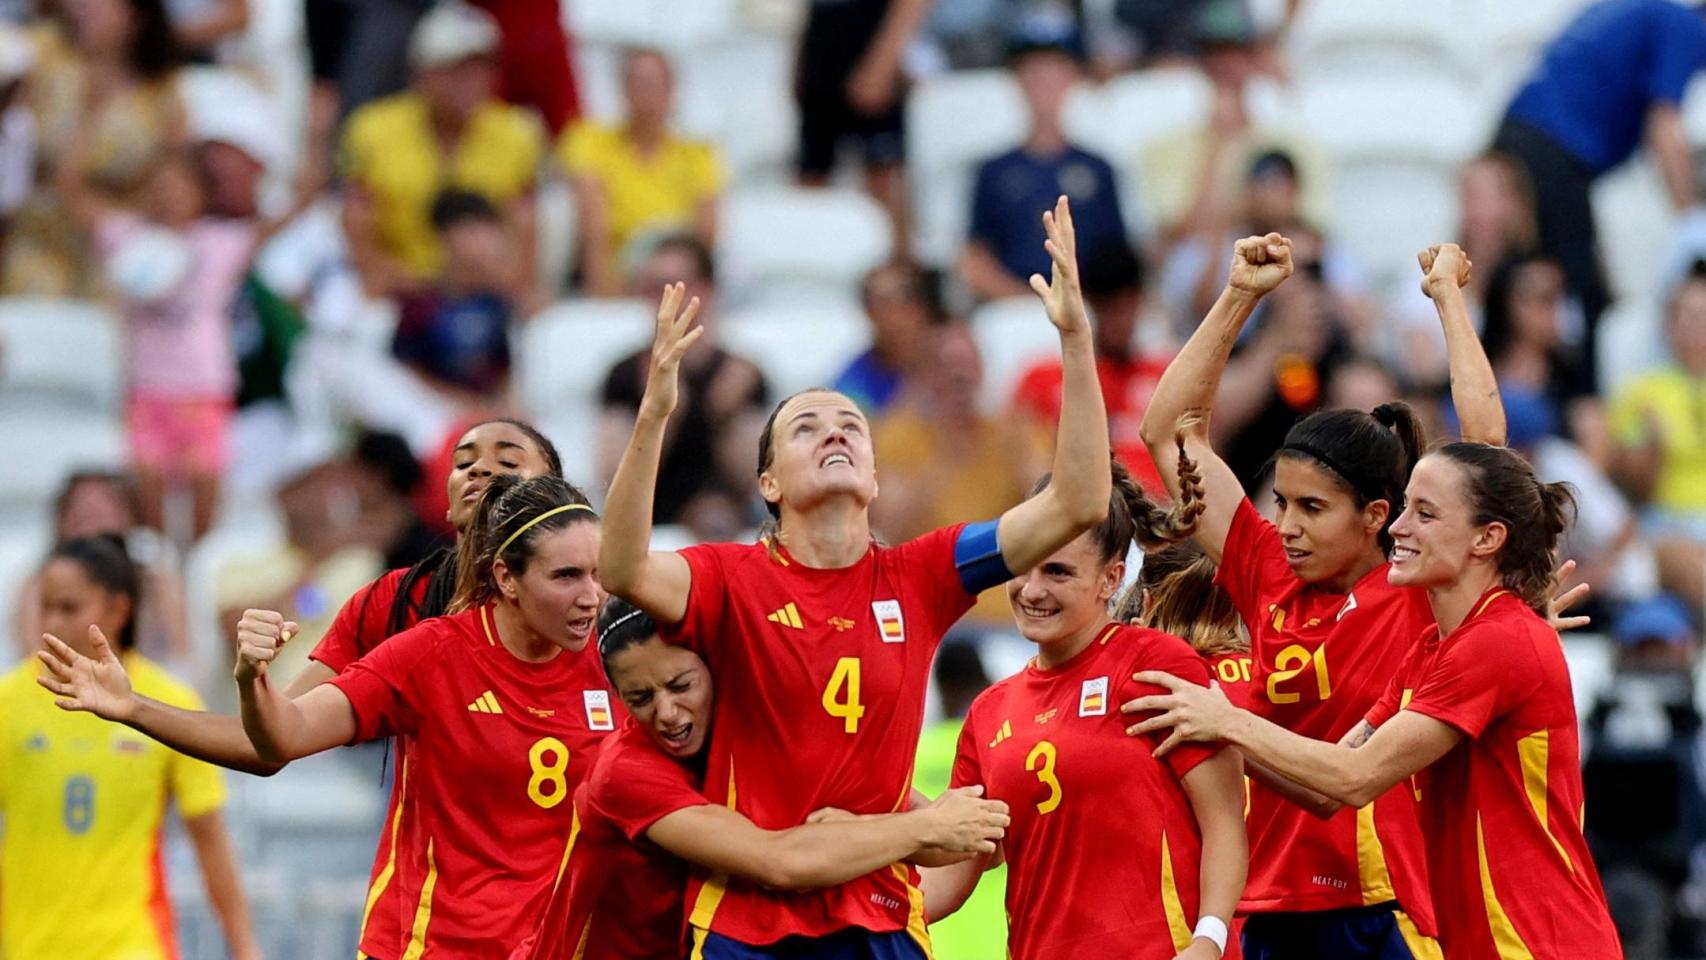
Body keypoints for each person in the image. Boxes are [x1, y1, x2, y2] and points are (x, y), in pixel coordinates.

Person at [598, 195, 1112, 957]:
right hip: (749, 926)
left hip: (880, 921)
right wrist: (654, 415)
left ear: (873, 475)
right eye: (806, 426)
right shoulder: (728, 576)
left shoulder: (923, 572)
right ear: (768, 482)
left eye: (851, 427)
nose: (834, 431)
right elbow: (619, 565)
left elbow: (1077, 501)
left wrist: (1075, 338)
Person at [34, 417, 562, 960]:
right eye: (463, 459)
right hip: (423, 943)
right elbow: (274, 740)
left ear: (560, 496)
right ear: (446, 502)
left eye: (506, 458)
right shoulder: (394, 603)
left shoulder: (598, 618)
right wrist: (136, 706)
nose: (478, 468)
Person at [1133, 236, 1511, 959]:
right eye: (1282, 502)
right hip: (1271, 910)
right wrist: (1240, 293)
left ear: (1375, 517)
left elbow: (1486, 444)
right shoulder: (1266, 568)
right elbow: (1169, 432)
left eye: (1312, 508)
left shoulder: (1415, 586)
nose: (1287, 526)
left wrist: (1449, 301)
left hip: (1385, 907)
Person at [1126, 443, 1622, 960]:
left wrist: (1227, 721)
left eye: (1425, 514)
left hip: (1541, 942)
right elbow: (1327, 791)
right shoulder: (1433, 650)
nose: (1399, 527)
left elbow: (1354, 776)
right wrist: (1205, 729)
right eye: (1405, 507)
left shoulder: (1497, 641)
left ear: (1488, 538)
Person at [230, 474, 612, 959]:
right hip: (432, 948)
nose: (591, 595)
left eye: (598, 575)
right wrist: (251, 679)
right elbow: (286, 734)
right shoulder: (433, 653)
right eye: (566, 575)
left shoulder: (614, 661)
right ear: (506, 578)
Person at [519, 599, 1011, 960]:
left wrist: (974, 827)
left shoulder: (769, 737)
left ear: (717, 666)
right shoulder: (626, 771)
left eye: (681, 685)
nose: (667, 713)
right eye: (639, 697)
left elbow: (949, 845)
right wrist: (916, 831)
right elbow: (779, 861)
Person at [924, 451, 1248, 960]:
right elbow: (949, 871)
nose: (1032, 590)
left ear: (1111, 578)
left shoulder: (1156, 666)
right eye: (1023, 568)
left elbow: (1226, 820)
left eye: (1057, 572)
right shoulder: (988, 714)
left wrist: (1209, 938)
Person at [15, 536, 260, 960]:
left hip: (133, 945)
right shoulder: (9, 704)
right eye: (46, 606)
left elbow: (210, 837)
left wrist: (244, 946)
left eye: (69, 608)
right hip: (27, 947)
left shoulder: (168, 704)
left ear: (118, 609)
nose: (52, 622)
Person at [1494, 0, 1706, 394]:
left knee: (1527, 277)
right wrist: (1692, 222)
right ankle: (1581, 403)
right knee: (1581, 290)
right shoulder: (1685, 29)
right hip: (1551, 152)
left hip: (1520, 140)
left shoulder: (1643, 12)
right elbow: (1664, 129)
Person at [339, 0, 543, 300]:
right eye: (456, 70)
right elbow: (356, 223)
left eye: (480, 69)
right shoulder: (373, 130)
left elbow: (524, 229)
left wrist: (504, 284)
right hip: (397, 293)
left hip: (488, 292)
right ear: (422, 74)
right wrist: (399, 283)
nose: (470, 82)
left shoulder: (517, 133)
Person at [4, 0, 186, 297]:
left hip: (115, 251)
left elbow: (177, 184)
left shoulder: (163, 94)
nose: (79, 9)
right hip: (35, 239)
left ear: (136, 14)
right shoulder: (42, 55)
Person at [597, 235, 770, 537]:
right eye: (653, 288)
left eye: (675, 286)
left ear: (706, 289)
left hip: (727, 508)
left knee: (715, 514)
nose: (661, 300)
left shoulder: (741, 374)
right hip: (651, 508)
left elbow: (757, 481)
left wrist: (722, 412)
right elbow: (613, 477)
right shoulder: (624, 374)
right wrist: (662, 414)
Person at [872, 321, 1033, 629]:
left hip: (1006, 611)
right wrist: (948, 453)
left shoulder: (1015, 432)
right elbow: (887, 527)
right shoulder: (897, 436)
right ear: (927, 375)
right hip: (927, 608)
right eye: (947, 366)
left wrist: (1018, 454)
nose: (959, 376)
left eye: (968, 365)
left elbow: (1057, 511)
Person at [960, 34, 1127, 302]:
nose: (1044, 88)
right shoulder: (994, 172)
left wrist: (1085, 302)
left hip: (1088, 306)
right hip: (1013, 307)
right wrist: (1026, 299)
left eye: (1053, 76)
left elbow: (1118, 253)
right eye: (1035, 76)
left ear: (1072, 81)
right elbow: (975, 258)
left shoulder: (1098, 169)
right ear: (1019, 83)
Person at [1010, 241, 1172, 497]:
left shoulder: (1168, 375)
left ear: (1141, 303)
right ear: (1090, 306)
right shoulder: (1042, 379)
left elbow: (1195, 465)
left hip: (1159, 519)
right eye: (1110, 309)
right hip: (1080, 518)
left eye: (1127, 307)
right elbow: (1030, 471)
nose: (1120, 321)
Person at [560, 47, 723, 297]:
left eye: (654, 84)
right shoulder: (590, 143)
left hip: (679, 273)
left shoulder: (698, 154)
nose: (646, 94)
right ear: (623, 89)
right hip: (623, 273)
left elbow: (706, 234)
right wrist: (606, 297)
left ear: (671, 91)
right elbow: (593, 229)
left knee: (678, 261)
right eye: (638, 84)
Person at [1609, 260, 1706, 612]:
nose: (1698, 326)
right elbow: (1636, 489)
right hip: (1668, 524)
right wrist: (1654, 446)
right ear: (1670, 325)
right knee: (1687, 557)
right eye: (1688, 316)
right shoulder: (1642, 392)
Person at [795, 0, 930, 253]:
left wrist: (883, 63)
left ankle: (897, 280)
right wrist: (800, 58)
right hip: (821, 55)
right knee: (811, 181)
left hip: (869, 49)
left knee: (882, 179)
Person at [14, 470, 189, 663]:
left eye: (102, 509)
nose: (91, 521)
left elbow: (181, 653)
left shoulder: (156, 577)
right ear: (61, 521)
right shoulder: (39, 579)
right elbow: (32, 655)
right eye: (80, 511)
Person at [913, 643, 1008, 960]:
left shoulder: (917, 754)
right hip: (1000, 938)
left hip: (932, 936)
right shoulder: (1004, 755)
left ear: (940, 688)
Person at [391, 189, 527, 407]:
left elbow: (505, 368)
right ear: (444, 237)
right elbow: (406, 371)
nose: (483, 242)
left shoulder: (497, 303)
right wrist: (464, 404)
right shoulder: (420, 305)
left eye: (488, 230)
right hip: (434, 411)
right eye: (471, 231)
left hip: (488, 411)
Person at [833, 260, 941, 416]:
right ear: (868, 313)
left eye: (907, 298)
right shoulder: (851, 383)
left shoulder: (952, 364)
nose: (897, 314)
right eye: (885, 303)